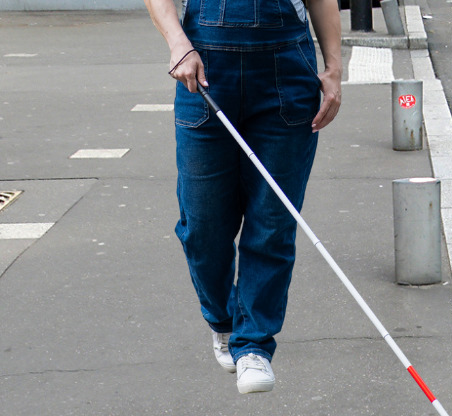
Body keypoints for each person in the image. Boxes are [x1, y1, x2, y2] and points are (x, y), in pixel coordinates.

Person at [144, 0, 342, 393]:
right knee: (203, 227)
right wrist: (177, 42)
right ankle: (223, 320)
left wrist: (334, 68)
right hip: (204, 70)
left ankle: (253, 345)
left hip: (286, 73)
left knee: (272, 223)